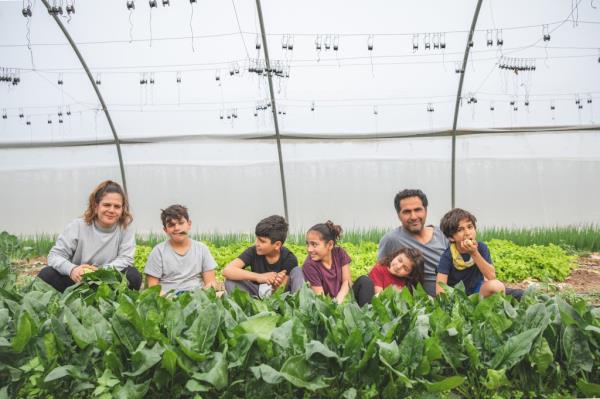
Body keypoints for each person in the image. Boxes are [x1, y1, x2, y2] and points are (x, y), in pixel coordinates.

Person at [38, 180, 141, 292]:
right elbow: (55, 255)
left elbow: (125, 259)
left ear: (122, 209)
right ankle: (73, 297)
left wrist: (100, 272)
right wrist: (73, 270)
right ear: (96, 206)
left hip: (106, 281)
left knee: (133, 276)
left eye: (117, 206)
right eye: (106, 205)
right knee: (47, 274)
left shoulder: (124, 229)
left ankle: (107, 300)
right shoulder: (77, 226)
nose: (111, 210)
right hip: (77, 280)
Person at [378, 189, 448, 296]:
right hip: (415, 305)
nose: (413, 217)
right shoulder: (392, 239)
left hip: (449, 298)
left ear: (425, 210)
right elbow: (379, 272)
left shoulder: (443, 234)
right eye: (406, 212)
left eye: (418, 210)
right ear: (398, 215)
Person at [144, 205, 217, 295]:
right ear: (165, 230)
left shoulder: (202, 249)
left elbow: (210, 282)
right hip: (168, 298)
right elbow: (153, 287)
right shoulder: (158, 251)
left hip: (196, 297)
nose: (177, 228)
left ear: (189, 224)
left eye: (181, 223)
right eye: (171, 225)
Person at [223, 215, 303, 297]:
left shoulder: (289, 258)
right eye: (257, 238)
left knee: (297, 271)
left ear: (277, 245)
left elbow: (280, 291)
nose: (257, 244)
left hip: (279, 296)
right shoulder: (252, 251)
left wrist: (277, 283)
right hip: (256, 292)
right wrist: (259, 277)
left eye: (262, 241)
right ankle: (252, 305)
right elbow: (227, 270)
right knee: (230, 282)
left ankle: (298, 306)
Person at [436, 208, 505, 298]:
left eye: (470, 227)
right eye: (460, 230)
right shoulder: (448, 256)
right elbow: (440, 289)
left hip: (478, 293)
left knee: (497, 286)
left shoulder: (481, 248)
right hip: (457, 298)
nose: (467, 233)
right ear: (451, 238)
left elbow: (491, 276)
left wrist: (474, 253)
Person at [302, 221, 374, 306]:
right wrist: (335, 306)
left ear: (330, 245)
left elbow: (347, 282)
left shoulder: (339, 253)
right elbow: (320, 299)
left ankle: (366, 315)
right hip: (328, 307)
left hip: (344, 298)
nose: (309, 249)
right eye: (308, 244)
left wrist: (339, 301)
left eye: (314, 244)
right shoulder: (309, 265)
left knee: (365, 281)